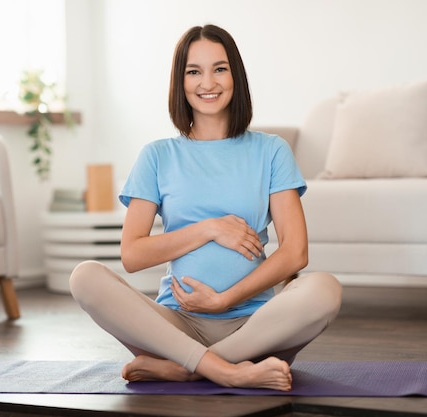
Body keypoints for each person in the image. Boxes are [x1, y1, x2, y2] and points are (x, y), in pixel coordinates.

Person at [69, 24, 342, 391]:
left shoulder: (271, 150)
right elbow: (132, 255)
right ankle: (227, 371)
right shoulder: (157, 156)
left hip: (256, 328)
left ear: (236, 76)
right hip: (178, 323)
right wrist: (209, 228)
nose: (207, 82)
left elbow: (296, 252)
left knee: (325, 289)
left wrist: (224, 300)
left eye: (219, 69)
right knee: (84, 276)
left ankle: (187, 367)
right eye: (193, 71)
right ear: (180, 82)